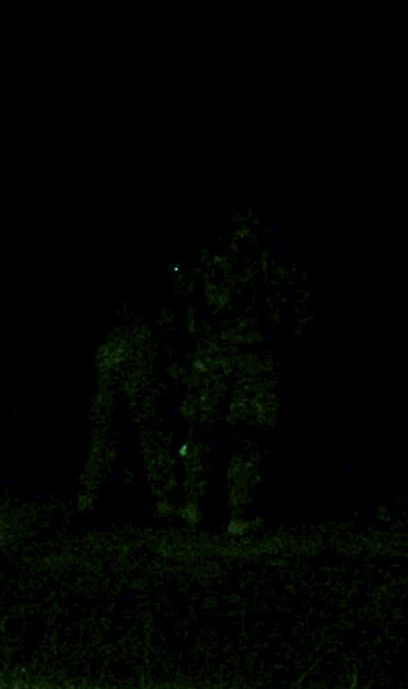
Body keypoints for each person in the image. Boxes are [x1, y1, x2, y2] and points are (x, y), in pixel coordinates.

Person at [179, 211, 310, 536]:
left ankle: (200, 509)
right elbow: (293, 315)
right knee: (245, 437)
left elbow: (187, 306)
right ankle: (235, 513)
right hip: (249, 357)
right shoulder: (270, 266)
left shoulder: (213, 263)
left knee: (212, 434)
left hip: (217, 356)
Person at [76, 262, 192, 527]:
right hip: (136, 347)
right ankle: (160, 502)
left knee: (115, 431)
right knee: (148, 430)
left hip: (122, 347)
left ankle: (93, 499)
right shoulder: (153, 290)